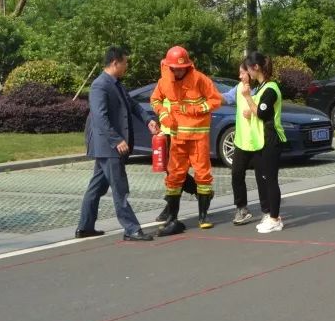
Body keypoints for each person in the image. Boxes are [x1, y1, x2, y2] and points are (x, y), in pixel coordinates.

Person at [77, 46, 158, 242]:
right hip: (109, 146)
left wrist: (148, 120)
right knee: (120, 188)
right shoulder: (100, 85)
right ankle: (131, 228)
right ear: (115, 63)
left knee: (96, 187)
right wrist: (116, 139)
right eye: (125, 62)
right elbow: (100, 116)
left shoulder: (116, 84)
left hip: (110, 146)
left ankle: (85, 227)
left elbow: (133, 105)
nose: (127, 66)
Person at [150, 46, 223, 236]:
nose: (178, 71)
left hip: (198, 137)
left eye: (181, 68)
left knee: (203, 175)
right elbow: (155, 100)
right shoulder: (164, 81)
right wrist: (164, 115)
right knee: (174, 176)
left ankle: (203, 217)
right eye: (175, 68)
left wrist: (197, 110)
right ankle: (172, 217)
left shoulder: (200, 79)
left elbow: (216, 100)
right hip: (177, 137)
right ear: (169, 67)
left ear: (188, 66)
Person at [224, 52, 286, 233]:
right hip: (262, 139)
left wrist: (247, 98)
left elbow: (262, 113)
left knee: (270, 180)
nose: (246, 74)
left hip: (271, 138)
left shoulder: (270, 89)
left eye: (248, 69)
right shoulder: (261, 87)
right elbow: (256, 111)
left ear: (256, 67)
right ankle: (272, 216)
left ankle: (274, 218)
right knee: (265, 179)